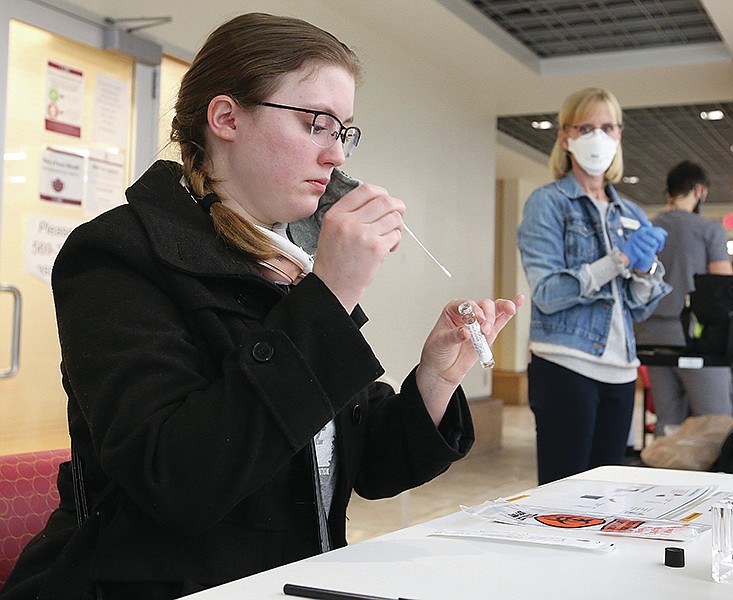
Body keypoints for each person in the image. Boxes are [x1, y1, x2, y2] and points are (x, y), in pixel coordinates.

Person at [0, 13, 523, 600]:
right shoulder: (118, 254)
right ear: (226, 117)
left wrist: (434, 378)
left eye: (344, 132)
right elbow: (177, 479)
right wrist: (329, 296)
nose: (335, 157)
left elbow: (367, 466)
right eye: (316, 124)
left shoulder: (286, 254)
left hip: (290, 580)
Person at [517, 87, 671, 485]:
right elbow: (548, 293)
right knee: (563, 495)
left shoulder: (631, 212)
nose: (597, 137)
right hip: (566, 364)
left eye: (606, 127)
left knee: (608, 494)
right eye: (586, 127)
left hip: (621, 369)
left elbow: (637, 308)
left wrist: (645, 271)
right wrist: (619, 260)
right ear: (565, 137)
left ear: (619, 135)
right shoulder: (547, 203)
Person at [635, 160, 733, 436]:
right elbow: (722, 286)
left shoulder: (649, 229)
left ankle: (667, 475)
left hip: (651, 336)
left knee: (668, 420)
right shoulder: (708, 230)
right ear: (699, 190)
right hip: (693, 339)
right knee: (716, 419)